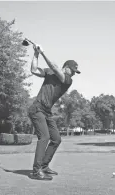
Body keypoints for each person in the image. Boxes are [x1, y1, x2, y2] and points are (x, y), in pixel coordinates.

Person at [27, 44, 80, 180]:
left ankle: (44, 166)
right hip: (37, 108)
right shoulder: (49, 73)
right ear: (66, 67)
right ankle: (36, 170)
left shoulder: (68, 80)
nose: (74, 73)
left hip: (46, 111)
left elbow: (55, 67)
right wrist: (36, 54)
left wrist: (43, 53)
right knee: (44, 137)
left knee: (56, 139)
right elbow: (33, 70)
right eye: (73, 70)